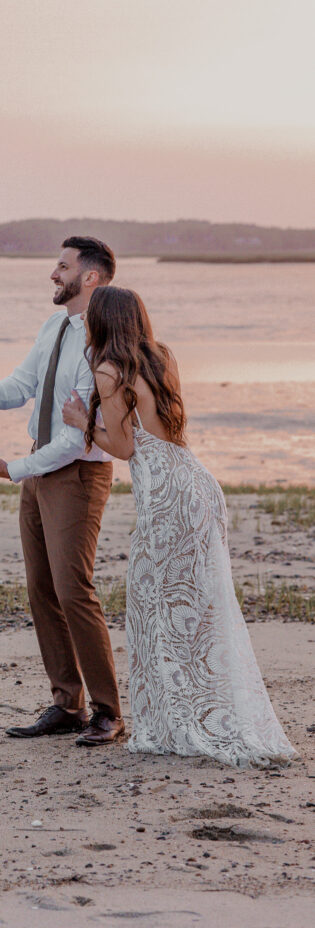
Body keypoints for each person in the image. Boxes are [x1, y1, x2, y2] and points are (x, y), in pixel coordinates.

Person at [62, 286, 297, 767]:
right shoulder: (161, 357)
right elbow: (163, 429)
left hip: (167, 497)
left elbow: (127, 447)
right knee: (202, 608)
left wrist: (81, 420)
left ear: (101, 323)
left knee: (156, 606)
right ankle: (205, 713)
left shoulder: (108, 371)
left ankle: (176, 723)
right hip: (198, 484)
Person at [0, 237, 124, 747]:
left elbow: (75, 440)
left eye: (63, 266)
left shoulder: (101, 340)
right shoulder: (55, 325)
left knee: (75, 591)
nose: (54, 273)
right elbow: (24, 385)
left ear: (91, 277)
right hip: (39, 468)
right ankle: (66, 704)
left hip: (76, 475)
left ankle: (108, 713)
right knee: (42, 589)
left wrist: (12, 469)